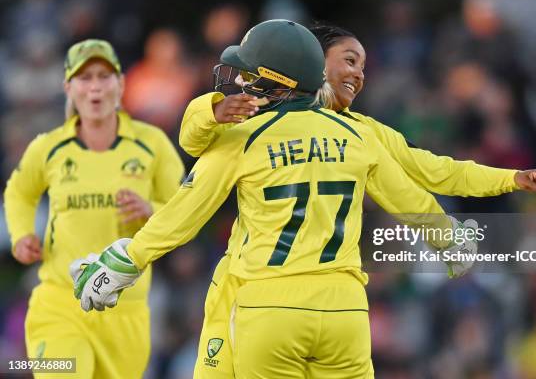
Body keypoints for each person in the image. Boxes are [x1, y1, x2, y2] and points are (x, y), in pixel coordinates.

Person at [71, 19, 479, 379]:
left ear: (275, 82)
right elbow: (409, 198)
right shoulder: (358, 136)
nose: (241, 82)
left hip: (269, 305)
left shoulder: (242, 139)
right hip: (345, 311)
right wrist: (449, 239)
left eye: (249, 75)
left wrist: (127, 260)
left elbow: (185, 213)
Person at [176, 23, 536, 379]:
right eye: (349, 60)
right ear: (311, 62)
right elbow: (193, 137)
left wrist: (509, 178)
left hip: (312, 301)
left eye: (363, 66)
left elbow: (436, 170)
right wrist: (210, 110)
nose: (359, 74)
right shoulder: (260, 114)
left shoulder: (364, 132)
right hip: (251, 292)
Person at [3, 39, 185, 378]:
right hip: (60, 304)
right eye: (84, 78)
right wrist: (22, 234)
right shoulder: (49, 146)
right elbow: (19, 191)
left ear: (121, 84)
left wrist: (150, 208)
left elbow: (187, 209)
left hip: (125, 309)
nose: (95, 87)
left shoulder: (152, 144)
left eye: (104, 76)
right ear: (68, 88)